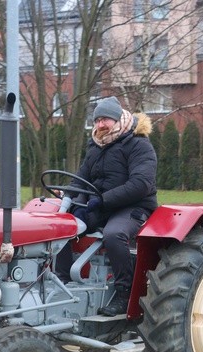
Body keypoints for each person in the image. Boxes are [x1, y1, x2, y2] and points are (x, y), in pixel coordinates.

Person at [55, 96, 157, 316]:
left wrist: (102, 200)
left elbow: (141, 184)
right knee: (61, 226)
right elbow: (80, 178)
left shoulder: (139, 144)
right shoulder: (96, 145)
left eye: (105, 119)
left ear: (118, 119)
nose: (101, 125)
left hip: (133, 206)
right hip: (100, 206)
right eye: (97, 120)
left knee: (114, 234)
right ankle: (61, 284)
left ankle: (124, 294)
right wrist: (68, 194)